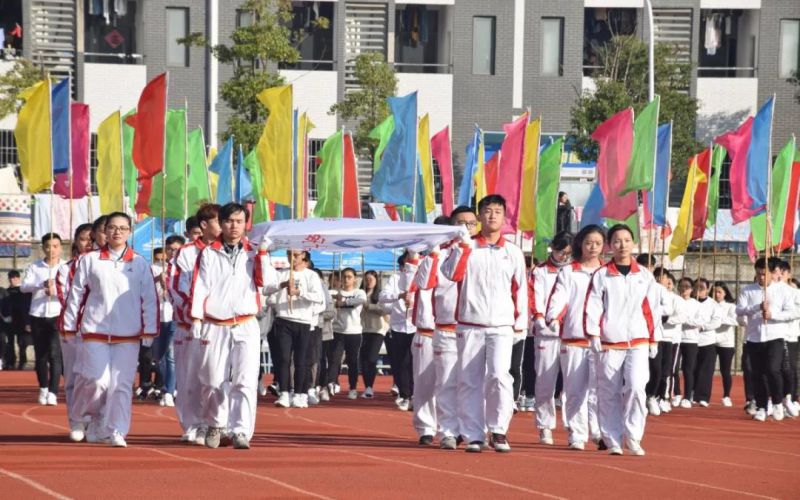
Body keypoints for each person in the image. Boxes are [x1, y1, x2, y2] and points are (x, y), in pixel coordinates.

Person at [63, 212, 159, 447]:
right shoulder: (90, 260)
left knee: (121, 385)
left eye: (123, 228)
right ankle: (86, 417)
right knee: (96, 381)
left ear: (129, 232)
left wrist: (149, 329)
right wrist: (68, 325)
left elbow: (149, 298)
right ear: (105, 232)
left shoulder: (139, 263)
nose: (117, 232)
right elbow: (75, 294)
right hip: (95, 330)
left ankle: (115, 430)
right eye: (112, 228)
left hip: (128, 334)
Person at [442, 194, 528, 453]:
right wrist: (463, 248)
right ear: (478, 216)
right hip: (470, 324)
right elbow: (450, 275)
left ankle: (499, 430)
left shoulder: (512, 252)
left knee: (500, 377)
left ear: (504, 217)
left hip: (502, 326)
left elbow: (521, 289)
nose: (492, 216)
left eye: (498, 211)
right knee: (469, 381)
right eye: (487, 211)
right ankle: (473, 434)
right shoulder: (466, 247)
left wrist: (520, 323)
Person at [190, 203, 277, 449]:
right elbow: (200, 286)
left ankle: (241, 430)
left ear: (245, 224)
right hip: (215, 324)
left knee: (245, 380)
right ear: (222, 222)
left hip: (246, 323)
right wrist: (196, 317)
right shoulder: (208, 253)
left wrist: (262, 254)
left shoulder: (253, 251)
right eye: (229, 221)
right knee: (212, 379)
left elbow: (267, 283)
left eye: (239, 221)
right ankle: (215, 422)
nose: (234, 226)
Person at [584, 224, 657, 456]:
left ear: (633, 243)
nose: (622, 245)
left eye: (626, 240)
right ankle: (613, 437)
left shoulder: (644, 275)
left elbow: (651, 309)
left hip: (638, 340)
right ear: (610, 245)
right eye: (616, 241)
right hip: (610, 341)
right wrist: (593, 332)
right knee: (609, 391)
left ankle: (634, 436)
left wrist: (654, 339)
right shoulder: (602, 274)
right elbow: (593, 305)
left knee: (636, 387)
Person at [414, 206, 480, 449]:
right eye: (461, 224)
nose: (466, 228)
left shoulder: (485, 252)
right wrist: (430, 253)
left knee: (474, 383)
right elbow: (424, 283)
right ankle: (444, 430)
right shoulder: (439, 254)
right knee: (442, 383)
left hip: (478, 327)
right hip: (446, 327)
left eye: (471, 224)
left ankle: (473, 429)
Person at [545, 224, 605, 450]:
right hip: (574, 338)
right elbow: (559, 297)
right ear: (580, 243)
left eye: (598, 243)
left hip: (601, 340)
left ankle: (599, 432)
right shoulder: (569, 271)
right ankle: (577, 434)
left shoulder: (608, 272)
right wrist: (552, 315)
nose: (593, 247)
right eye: (589, 242)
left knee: (598, 390)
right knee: (574, 390)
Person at [169, 205, 221, 445]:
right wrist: (196, 313)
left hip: (220, 324)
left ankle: (215, 423)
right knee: (190, 378)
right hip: (189, 324)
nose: (225, 225)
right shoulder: (187, 253)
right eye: (219, 221)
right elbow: (176, 287)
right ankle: (192, 424)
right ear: (204, 225)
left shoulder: (228, 250)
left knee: (215, 379)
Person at [736, 257, 800, 421]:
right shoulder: (747, 290)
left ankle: (778, 401)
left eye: (764, 274)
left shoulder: (783, 290)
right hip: (754, 338)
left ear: (772, 273)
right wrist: (756, 307)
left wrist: (773, 315)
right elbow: (740, 310)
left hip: (775, 337)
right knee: (756, 373)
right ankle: (761, 406)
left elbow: (793, 313)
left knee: (772, 370)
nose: (761, 277)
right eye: (758, 274)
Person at [266, 250, 324, 408]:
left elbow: (319, 297)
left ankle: (300, 393)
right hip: (283, 320)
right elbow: (266, 291)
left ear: (303, 255)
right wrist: (281, 287)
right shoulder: (281, 274)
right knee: (283, 359)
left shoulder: (311, 275)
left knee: (302, 360)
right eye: (289, 254)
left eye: (296, 255)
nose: (292, 258)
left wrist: (299, 292)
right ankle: (284, 393)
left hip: (303, 321)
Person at [531, 231, 573, 446]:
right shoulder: (540, 271)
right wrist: (539, 317)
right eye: (560, 252)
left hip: (570, 334)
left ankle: (573, 426)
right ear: (552, 249)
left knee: (572, 384)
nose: (563, 257)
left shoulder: (576, 271)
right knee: (545, 382)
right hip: (546, 334)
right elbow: (534, 295)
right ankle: (545, 426)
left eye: (567, 253)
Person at [55, 223, 93, 441]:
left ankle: (93, 417)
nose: (87, 243)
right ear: (76, 242)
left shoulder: (102, 265)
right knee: (73, 377)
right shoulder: (65, 269)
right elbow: (66, 299)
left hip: (96, 331)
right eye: (82, 239)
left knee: (93, 377)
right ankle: (76, 419)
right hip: (72, 330)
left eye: (91, 239)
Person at [21, 232, 66, 405]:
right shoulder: (35, 266)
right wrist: (40, 285)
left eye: (55, 246)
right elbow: (24, 287)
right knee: (41, 355)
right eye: (48, 246)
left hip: (57, 314)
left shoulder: (65, 267)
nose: (51, 250)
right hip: (38, 314)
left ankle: (54, 391)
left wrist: (56, 292)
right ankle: (43, 388)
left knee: (55, 354)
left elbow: (69, 289)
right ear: (43, 248)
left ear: (60, 248)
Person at [379, 253, 418, 411]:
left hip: (416, 326)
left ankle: (415, 394)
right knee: (400, 362)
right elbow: (382, 296)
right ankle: (404, 395)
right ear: (402, 267)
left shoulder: (421, 277)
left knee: (415, 363)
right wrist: (399, 296)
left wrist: (414, 302)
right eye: (406, 266)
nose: (408, 269)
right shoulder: (395, 279)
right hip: (398, 326)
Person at [152, 235, 185, 407]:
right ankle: (168, 384)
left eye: (176, 249)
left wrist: (170, 288)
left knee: (171, 356)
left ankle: (169, 391)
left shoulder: (184, 269)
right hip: (158, 317)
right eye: (170, 249)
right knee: (159, 356)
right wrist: (159, 280)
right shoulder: (154, 268)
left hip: (175, 317)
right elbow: (147, 290)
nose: (173, 252)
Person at [328, 267, 367, 400]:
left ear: (355, 278)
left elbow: (360, 301)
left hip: (354, 332)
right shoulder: (336, 291)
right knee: (334, 359)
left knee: (352, 361)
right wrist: (335, 298)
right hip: (338, 330)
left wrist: (343, 303)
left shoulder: (359, 292)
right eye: (344, 276)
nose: (346, 279)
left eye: (349, 276)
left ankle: (353, 388)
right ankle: (331, 383)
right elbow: (326, 295)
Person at [645, 267, 678, 417]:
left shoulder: (659, 289)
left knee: (656, 369)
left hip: (654, 336)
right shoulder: (633, 284)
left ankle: (652, 396)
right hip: (634, 336)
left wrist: (651, 310)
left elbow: (669, 310)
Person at [689, 278, 722, 407]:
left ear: (708, 289)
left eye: (702, 288)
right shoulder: (690, 303)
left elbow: (716, 322)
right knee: (691, 369)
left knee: (706, 370)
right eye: (696, 288)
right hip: (691, 340)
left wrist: (703, 326)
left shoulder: (714, 305)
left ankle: (703, 396)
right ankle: (690, 392)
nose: (699, 291)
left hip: (707, 341)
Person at [359, 270, 388, 399]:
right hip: (362, 329)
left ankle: (370, 386)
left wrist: (369, 306)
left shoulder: (381, 295)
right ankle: (367, 386)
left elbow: (384, 310)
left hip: (377, 330)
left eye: (371, 279)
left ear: (376, 280)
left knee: (371, 358)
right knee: (364, 359)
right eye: (367, 279)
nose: (369, 282)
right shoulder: (360, 294)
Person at [712, 281, 737, 407]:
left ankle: (726, 395)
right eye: (714, 292)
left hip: (726, 342)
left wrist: (718, 320)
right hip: (710, 340)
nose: (716, 294)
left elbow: (734, 320)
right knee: (706, 369)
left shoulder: (730, 306)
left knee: (725, 370)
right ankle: (701, 394)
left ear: (725, 293)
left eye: (719, 292)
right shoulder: (709, 305)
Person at [673, 277, 698, 408]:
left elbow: (699, 322)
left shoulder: (696, 304)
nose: (684, 289)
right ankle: (677, 393)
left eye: (687, 286)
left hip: (691, 340)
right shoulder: (674, 300)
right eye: (681, 286)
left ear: (692, 289)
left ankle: (688, 397)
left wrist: (684, 320)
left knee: (688, 369)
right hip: (675, 339)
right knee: (673, 369)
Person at [1, 270, 31, 370]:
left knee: (21, 342)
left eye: (13, 277)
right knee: (9, 342)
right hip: (9, 320)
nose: (11, 280)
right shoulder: (7, 291)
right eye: (10, 278)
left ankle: (23, 361)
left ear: (18, 278)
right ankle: (10, 362)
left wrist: (28, 321)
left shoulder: (24, 291)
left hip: (21, 320)